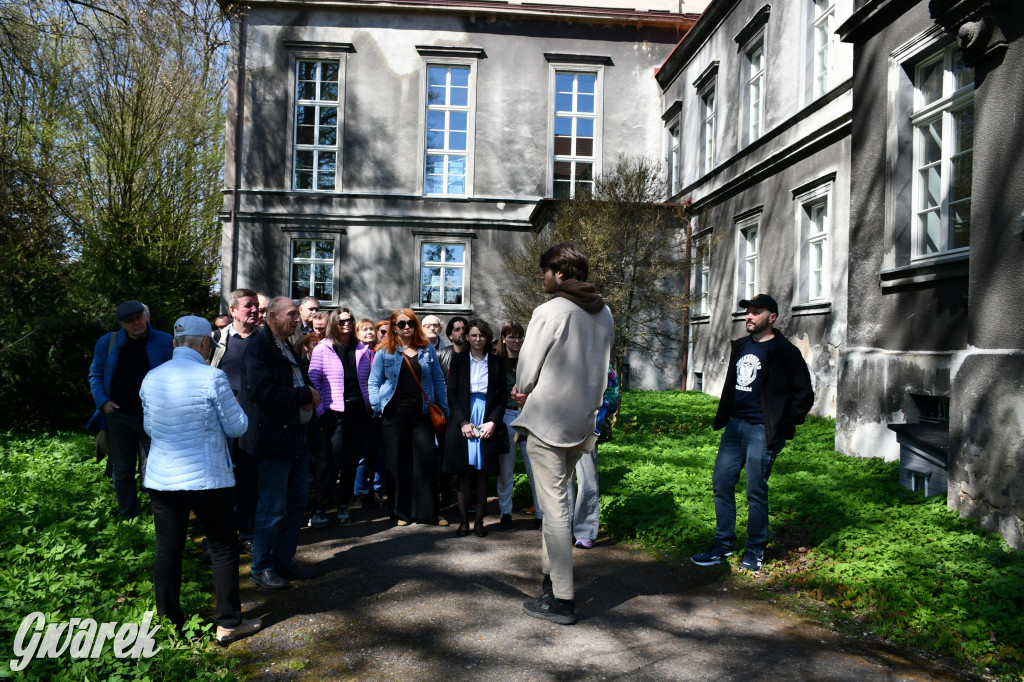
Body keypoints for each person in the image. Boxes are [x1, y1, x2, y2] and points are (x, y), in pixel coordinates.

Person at [139, 316, 260, 646]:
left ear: (176, 343)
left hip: (163, 480)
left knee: (168, 551)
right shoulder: (213, 377)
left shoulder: (151, 378)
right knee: (222, 547)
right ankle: (228, 623)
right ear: (205, 343)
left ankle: (169, 627)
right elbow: (237, 427)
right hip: (208, 480)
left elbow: (150, 429)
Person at [511, 243, 614, 625]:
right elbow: (604, 366)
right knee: (559, 503)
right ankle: (549, 580)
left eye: (544, 271)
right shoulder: (604, 313)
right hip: (582, 422)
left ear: (560, 272)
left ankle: (563, 598)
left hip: (548, 421)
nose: (541, 277)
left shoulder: (549, 310)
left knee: (555, 509)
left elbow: (526, 367)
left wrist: (522, 388)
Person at [690, 293, 813, 574]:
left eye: (756, 312)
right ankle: (723, 544)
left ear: (772, 318)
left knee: (755, 491)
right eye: (748, 311)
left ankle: (755, 549)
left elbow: (803, 395)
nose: (749, 316)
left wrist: (784, 425)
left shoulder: (785, 352)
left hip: (762, 430)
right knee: (722, 483)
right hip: (735, 426)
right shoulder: (741, 346)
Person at [239, 297, 321, 589]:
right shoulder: (258, 348)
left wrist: (306, 397)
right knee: (272, 506)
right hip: (274, 440)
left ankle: (283, 561)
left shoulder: (286, 344)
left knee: (297, 502)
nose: (297, 319)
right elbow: (265, 395)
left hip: (296, 437)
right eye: (291, 315)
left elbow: (294, 384)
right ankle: (261, 567)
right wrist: (304, 396)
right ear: (271, 316)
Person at [88, 300, 173, 519]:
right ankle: (129, 518)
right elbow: (95, 374)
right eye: (129, 321)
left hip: (153, 417)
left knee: (155, 470)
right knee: (123, 470)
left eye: (138, 317)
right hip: (119, 416)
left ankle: (161, 518)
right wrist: (104, 402)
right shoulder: (108, 342)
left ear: (146, 316)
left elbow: (176, 374)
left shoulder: (165, 341)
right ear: (122, 324)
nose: (136, 323)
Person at [368, 309, 450, 526]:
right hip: (394, 416)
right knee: (397, 464)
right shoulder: (384, 351)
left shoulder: (427, 350)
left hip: (422, 415)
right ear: (394, 327)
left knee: (427, 460)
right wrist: (378, 407)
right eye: (402, 324)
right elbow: (374, 382)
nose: (407, 327)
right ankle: (400, 513)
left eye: (411, 323)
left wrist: (445, 409)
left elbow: (439, 381)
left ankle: (427, 513)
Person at [208, 288, 261, 554]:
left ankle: (247, 533)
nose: (254, 310)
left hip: (255, 423)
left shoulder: (266, 341)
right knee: (222, 478)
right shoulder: (217, 340)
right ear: (232, 310)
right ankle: (219, 535)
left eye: (256, 306)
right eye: (248, 305)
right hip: (221, 422)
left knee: (249, 478)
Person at [443, 319, 507, 537]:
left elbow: (501, 397)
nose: (477, 339)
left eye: (481, 335)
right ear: (467, 338)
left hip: (486, 417)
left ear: (487, 337)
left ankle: (479, 522)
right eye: (473, 335)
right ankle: (463, 522)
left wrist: (493, 422)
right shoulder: (459, 360)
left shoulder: (497, 362)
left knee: (482, 474)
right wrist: (462, 422)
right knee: (464, 472)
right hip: (464, 417)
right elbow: (451, 394)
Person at [307, 309, 364, 527]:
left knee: (352, 462)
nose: (347, 324)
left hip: (358, 412)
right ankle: (319, 508)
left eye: (350, 320)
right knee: (333, 461)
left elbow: (366, 380)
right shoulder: (324, 348)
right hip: (334, 413)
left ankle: (343, 504)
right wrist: (321, 411)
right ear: (334, 324)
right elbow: (314, 381)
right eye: (342, 321)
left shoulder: (360, 348)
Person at [569, 364, 619, 549]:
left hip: (589, 427)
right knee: (563, 480)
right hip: (561, 425)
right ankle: (562, 528)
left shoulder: (601, 358)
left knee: (587, 479)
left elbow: (612, 391)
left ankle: (585, 531)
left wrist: (602, 412)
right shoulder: (560, 352)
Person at [495, 321, 534, 530]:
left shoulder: (531, 360)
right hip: (506, 418)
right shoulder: (497, 362)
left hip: (530, 417)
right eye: (511, 336)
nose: (516, 340)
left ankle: (541, 513)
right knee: (506, 470)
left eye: (519, 336)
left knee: (534, 469)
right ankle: (506, 513)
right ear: (503, 338)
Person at [353, 318, 385, 506]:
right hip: (363, 409)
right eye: (364, 330)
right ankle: (360, 490)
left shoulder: (381, 351)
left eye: (371, 329)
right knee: (363, 453)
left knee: (381, 451)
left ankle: (377, 488)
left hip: (381, 408)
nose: (369, 333)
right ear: (357, 334)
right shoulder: (356, 353)